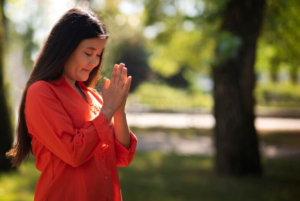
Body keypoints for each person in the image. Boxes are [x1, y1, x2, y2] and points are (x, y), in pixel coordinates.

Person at [6, 7, 137, 201]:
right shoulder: (42, 92)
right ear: (65, 48)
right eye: (88, 53)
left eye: (99, 54)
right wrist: (108, 110)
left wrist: (118, 111)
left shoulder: (94, 97)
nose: (94, 62)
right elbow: (73, 153)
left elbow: (123, 157)